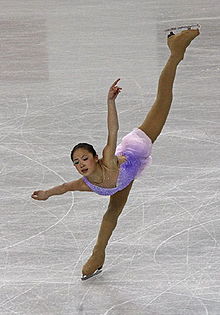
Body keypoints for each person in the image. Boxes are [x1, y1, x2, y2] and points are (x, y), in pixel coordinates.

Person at [32, 28, 200, 279]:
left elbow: (113, 130)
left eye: (84, 158)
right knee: (112, 213)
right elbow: (65, 187)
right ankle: (98, 254)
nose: (81, 164)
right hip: (124, 180)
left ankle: (175, 51)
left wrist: (110, 102)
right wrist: (46, 194)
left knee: (164, 98)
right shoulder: (86, 182)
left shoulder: (108, 159)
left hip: (138, 145)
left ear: (96, 157)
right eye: (76, 162)